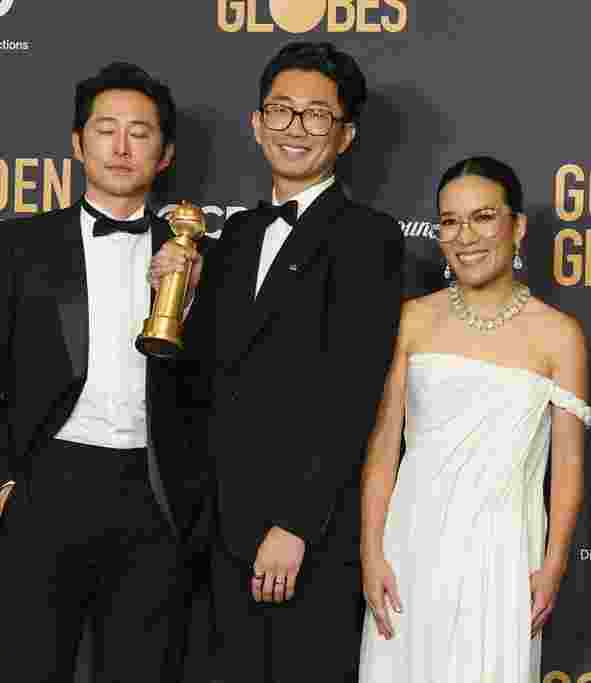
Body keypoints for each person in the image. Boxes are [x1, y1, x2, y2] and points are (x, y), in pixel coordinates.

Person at [151, 42, 403, 682]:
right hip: (216, 534)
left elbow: (353, 392)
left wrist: (296, 525)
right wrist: (167, 301)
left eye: (317, 116)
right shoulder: (230, 238)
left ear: (345, 136)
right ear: (255, 122)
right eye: (281, 111)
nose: (296, 129)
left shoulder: (368, 238)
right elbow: (200, 381)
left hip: (301, 541)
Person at [0, 62, 207, 683]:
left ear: (165, 152)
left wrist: (192, 300)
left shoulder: (199, 258)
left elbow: (216, 390)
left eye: (140, 133)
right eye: (106, 129)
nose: (122, 147)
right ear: (77, 143)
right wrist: (2, 486)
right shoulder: (18, 248)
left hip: (153, 492)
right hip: (47, 483)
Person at [358, 157, 591, 682]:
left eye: (483, 217)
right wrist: (371, 553)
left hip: (504, 555)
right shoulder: (413, 319)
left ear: (518, 227)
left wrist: (552, 565)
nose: (466, 236)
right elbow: (382, 449)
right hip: (410, 550)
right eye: (449, 221)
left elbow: (569, 468)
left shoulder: (559, 335)